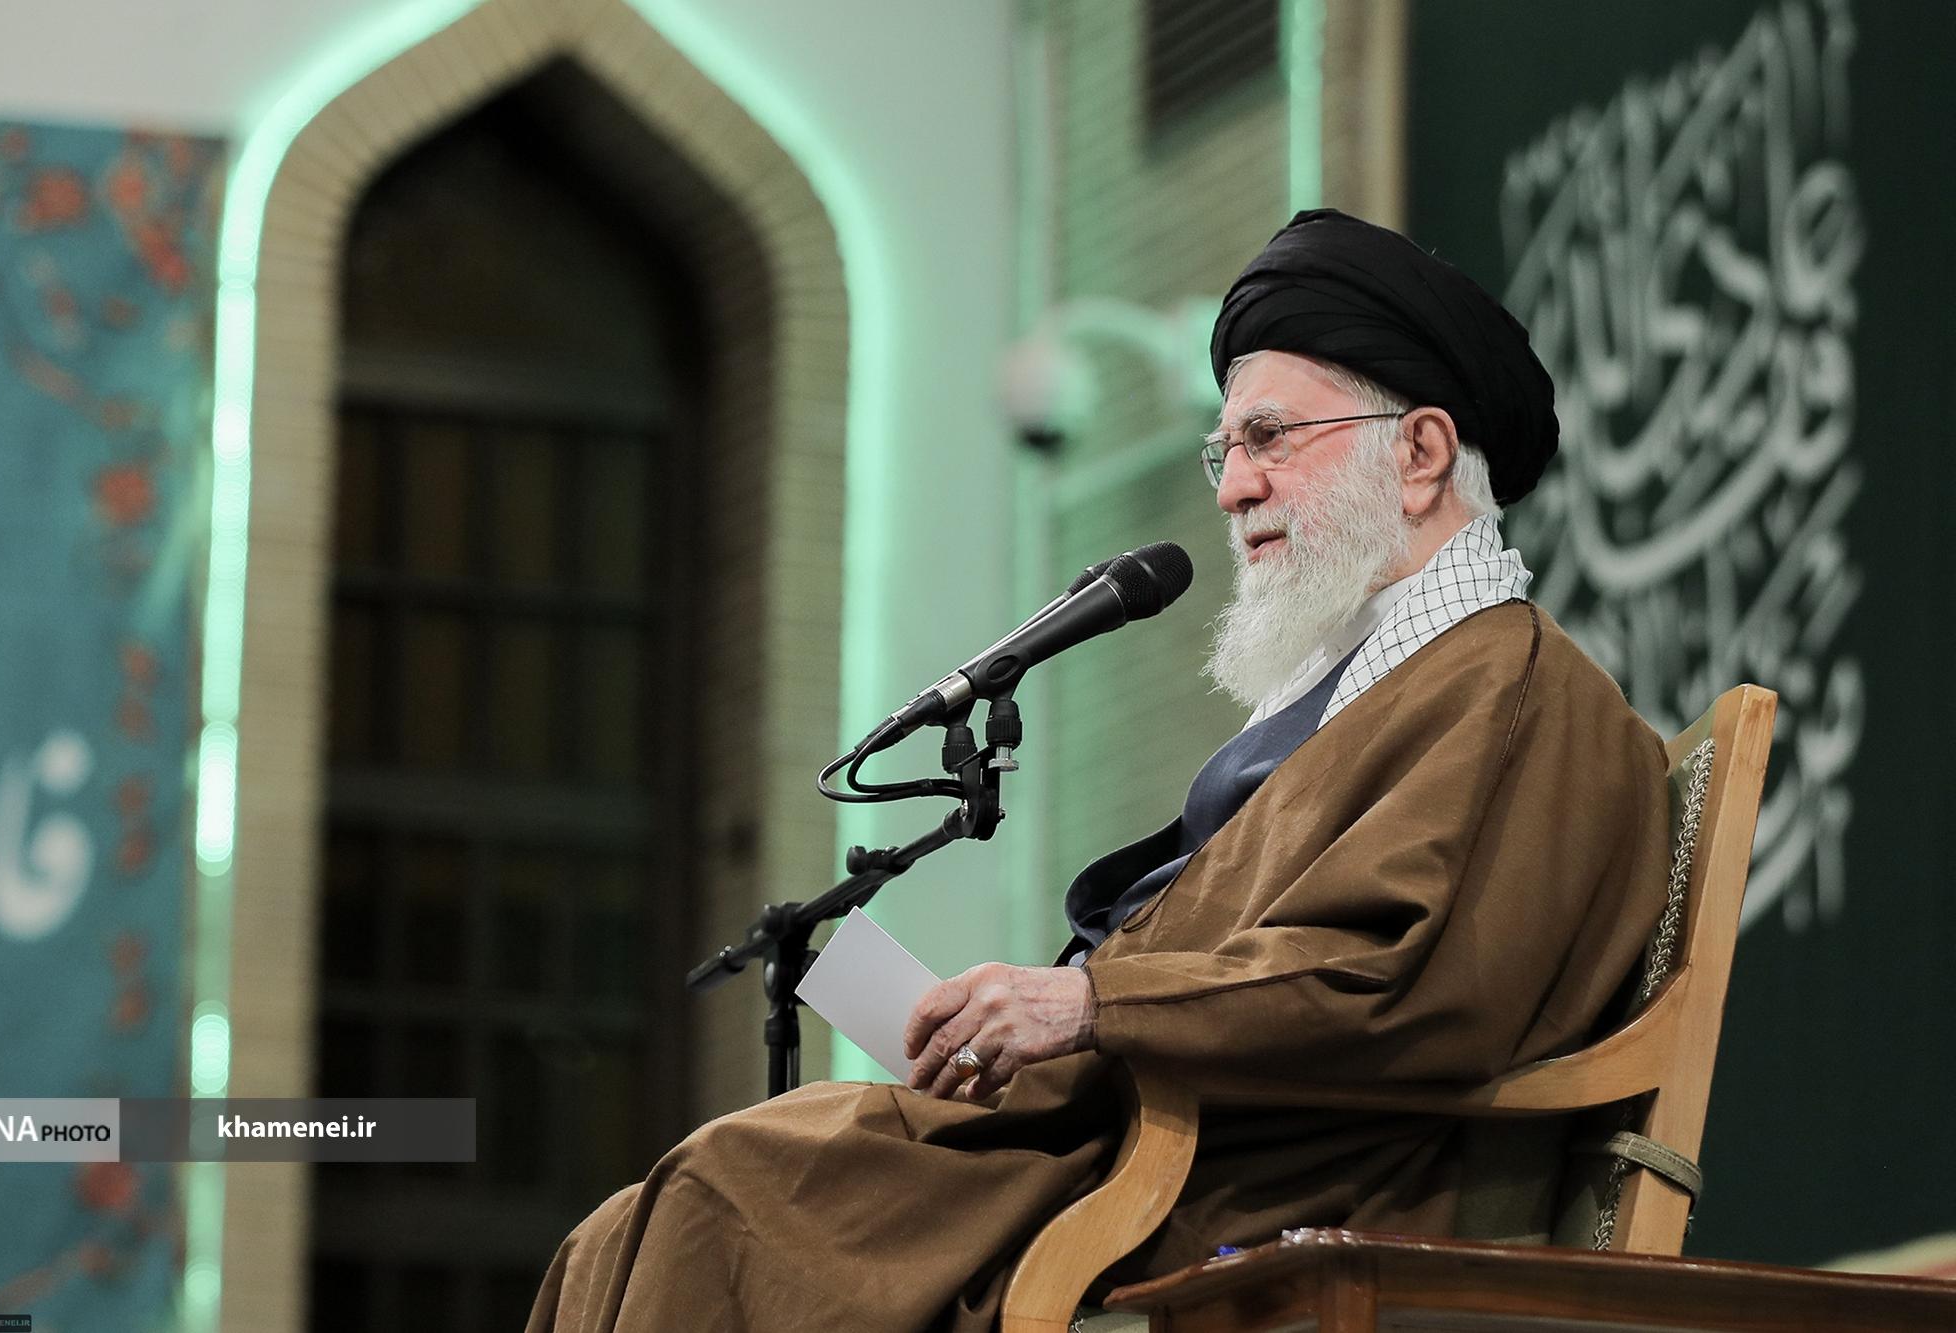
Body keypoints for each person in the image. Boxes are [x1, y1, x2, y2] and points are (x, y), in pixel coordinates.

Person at [525, 210, 1671, 1332]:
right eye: (1226, 450)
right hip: (1133, 1141)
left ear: (1417, 454)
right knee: (627, 1226)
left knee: (722, 1198)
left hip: (1248, 1188)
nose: (1231, 488)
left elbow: (1399, 982)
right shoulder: (1372, 684)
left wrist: (1086, 1004)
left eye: (1270, 438)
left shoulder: (1515, 688)